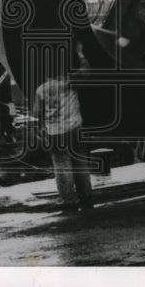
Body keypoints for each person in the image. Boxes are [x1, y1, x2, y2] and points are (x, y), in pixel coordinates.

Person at [33, 72, 92, 211]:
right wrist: (80, 52)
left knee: (61, 165)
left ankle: (69, 199)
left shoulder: (40, 89)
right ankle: (86, 195)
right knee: (81, 162)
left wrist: (42, 129)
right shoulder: (69, 83)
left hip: (55, 131)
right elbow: (87, 72)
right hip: (75, 127)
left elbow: (37, 113)